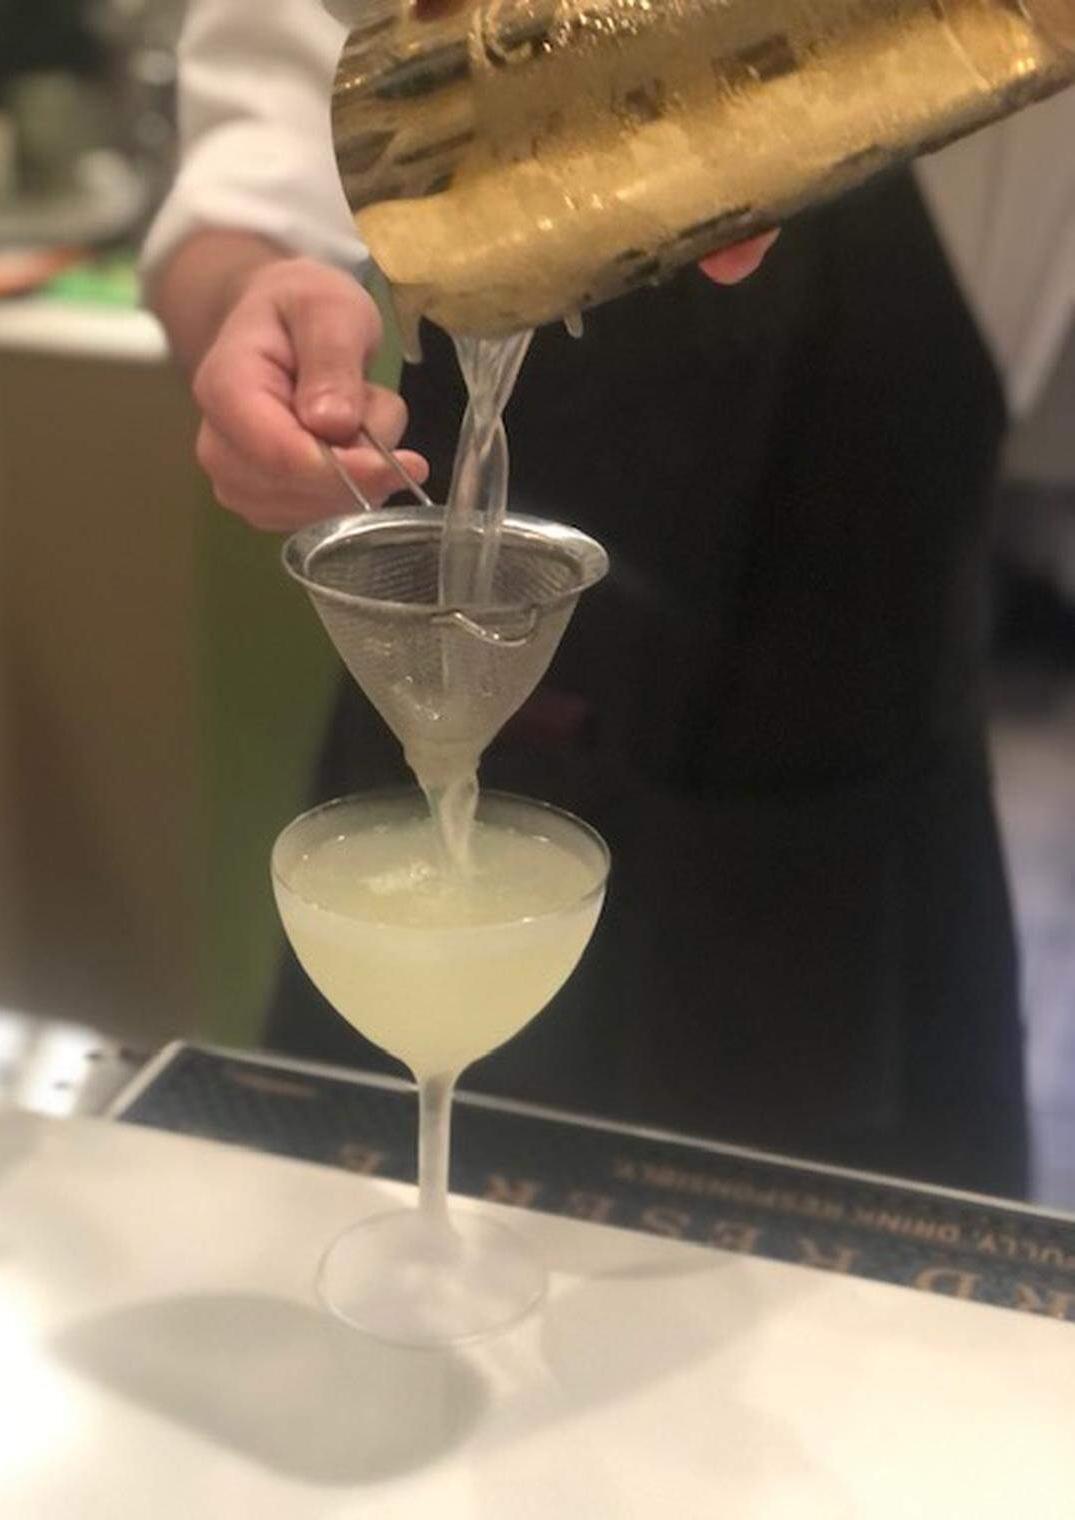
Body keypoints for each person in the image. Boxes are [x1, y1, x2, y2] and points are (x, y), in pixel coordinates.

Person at [145, 0, 1075, 1197]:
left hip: (849, 877)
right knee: (355, 1314)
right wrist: (250, 304)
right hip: (419, 775)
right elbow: (244, 174)